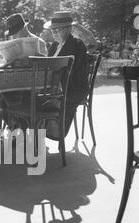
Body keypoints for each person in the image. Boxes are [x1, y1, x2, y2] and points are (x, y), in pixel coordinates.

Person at [43, 11, 89, 140]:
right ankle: (25, 129)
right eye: (52, 30)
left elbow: (72, 72)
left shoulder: (77, 45)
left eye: (58, 30)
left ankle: (43, 132)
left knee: (37, 99)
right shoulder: (54, 46)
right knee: (23, 95)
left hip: (71, 88)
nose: (54, 33)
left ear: (69, 29)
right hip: (53, 87)